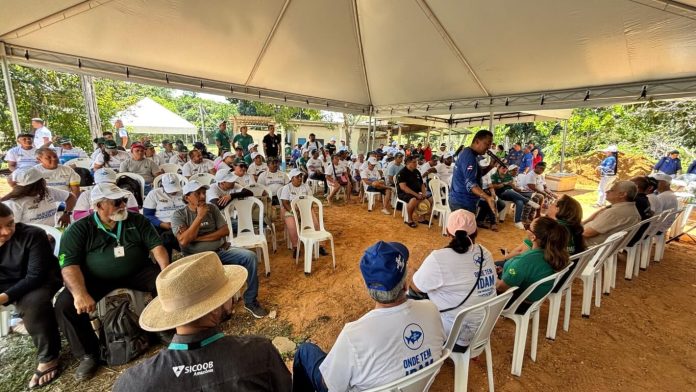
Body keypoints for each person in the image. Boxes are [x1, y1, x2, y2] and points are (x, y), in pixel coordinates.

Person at [112, 252, 290, 391]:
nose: (233, 297)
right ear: (214, 306)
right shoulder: (260, 353)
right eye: (227, 292)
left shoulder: (132, 383)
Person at [293, 241, 445, 391]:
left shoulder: (353, 335)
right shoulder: (431, 309)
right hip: (420, 386)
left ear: (369, 291)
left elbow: (331, 386)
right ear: (405, 284)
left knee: (305, 351)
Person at [55, 183, 170, 381]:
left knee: (165, 285)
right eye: (116, 202)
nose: (123, 205)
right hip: (95, 278)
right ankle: (88, 354)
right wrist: (80, 293)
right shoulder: (79, 229)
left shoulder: (136, 220)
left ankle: (164, 329)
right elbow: (69, 266)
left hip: (137, 271)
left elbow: (157, 247)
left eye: (124, 200)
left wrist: (166, 273)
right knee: (65, 305)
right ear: (99, 206)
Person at [171, 181, 268, 318]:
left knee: (249, 257)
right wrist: (199, 217)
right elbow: (184, 240)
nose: (202, 196)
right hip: (196, 258)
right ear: (187, 197)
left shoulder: (212, 208)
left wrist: (197, 238)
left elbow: (225, 231)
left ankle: (250, 300)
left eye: (203, 192)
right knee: (221, 311)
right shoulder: (179, 215)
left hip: (219, 251)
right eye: (197, 193)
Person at [411, 209, 496, 350]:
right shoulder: (485, 253)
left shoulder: (439, 258)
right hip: (481, 332)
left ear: (447, 232)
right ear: (476, 232)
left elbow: (415, 287)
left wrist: (413, 271)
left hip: (451, 337)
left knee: (413, 292)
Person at [0, 202, 63, 389]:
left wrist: (4, 297)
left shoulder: (32, 235)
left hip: (39, 279)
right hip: (5, 282)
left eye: (10, 224)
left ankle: (49, 356)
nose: (6, 231)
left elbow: (35, 276)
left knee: (35, 304)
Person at [496, 217, 570, 313]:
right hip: (532, 301)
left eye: (528, 227)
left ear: (533, 237)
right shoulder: (555, 254)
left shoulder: (526, 260)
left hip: (516, 303)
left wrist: (492, 275)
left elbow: (500, 288)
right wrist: (505, 271)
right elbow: (530, 272)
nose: (526, 230)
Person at [2, 167, 75, 227]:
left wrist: (67, 214)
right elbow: (13, 230)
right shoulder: (13, 203)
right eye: (42, 180)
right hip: (29, 241)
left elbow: (70, 197)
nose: (44, 182)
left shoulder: (47, 191)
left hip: (50, 234)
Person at [279, 169, 327, 255]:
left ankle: (320, 246)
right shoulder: (287, 187)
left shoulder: (305, 186)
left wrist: (306, 210)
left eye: (301, 176)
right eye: (298, 177)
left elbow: (311, 200)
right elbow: (284, 202)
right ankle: (295, 247)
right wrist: (293, 211)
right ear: (292, 178)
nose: (300, 178)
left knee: (316, 223)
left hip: (305, 208)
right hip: (290, 209)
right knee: (292, 226)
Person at [449, 129, 496, 214]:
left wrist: (490, 166)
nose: (489, 147)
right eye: (487, 144)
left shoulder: (471, 154)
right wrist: (487, 197)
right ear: (477, 141)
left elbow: (477, 174)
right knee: (463, 227)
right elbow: (470, 184)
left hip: (463, 201)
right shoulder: (469, 157)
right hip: (462, 203)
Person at [582, 181, 641, 246]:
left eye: (611, 190)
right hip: (608, 248)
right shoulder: (631, 209)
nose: (606, 192)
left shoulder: (615, 212)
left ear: (622, 194)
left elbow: (586, 233)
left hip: (586, 247)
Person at [143, 173, 186, 260]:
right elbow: (147, 215)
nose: (173, 192)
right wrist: (161, 224)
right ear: (162, 186)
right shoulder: (154, 194)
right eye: (170, 189)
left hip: (182, 224)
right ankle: (166, 261)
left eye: (175, 188)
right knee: (165, 238)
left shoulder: (184, 193)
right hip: (162, 225)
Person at [73, 168, 140, 221]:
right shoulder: (86, 194)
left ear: (115, 183)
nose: (106, 189)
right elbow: (77, 216)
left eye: (109, 185)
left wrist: (120, 211)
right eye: (102, 185)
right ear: (95, 184)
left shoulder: (126, 194)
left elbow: (135, 213)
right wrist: (95, 211)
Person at [490, 164, 540, 229]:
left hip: (511, 194)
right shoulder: (494, 176)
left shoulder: (508, 176)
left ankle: (517, 222)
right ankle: (528, 201)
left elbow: (514, 188)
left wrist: (513, 186)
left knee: (520, 201)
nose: (505, 169)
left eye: (506, 168)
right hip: (500, 194)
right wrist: (504, 184)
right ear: (498, 168)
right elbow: (493, 186)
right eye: (503, 168)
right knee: (509, 191)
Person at [396, 155, 433, 228]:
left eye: (416, 162)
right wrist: (416, 195)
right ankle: (409, 219)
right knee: (413, 200)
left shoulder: (416, 171)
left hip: (417, 192)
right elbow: (403, 188)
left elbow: (422, 184)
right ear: (408, 163)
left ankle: (421, 218)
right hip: (404, 193)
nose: (416, 164)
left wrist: (424, 193)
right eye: (414, 162)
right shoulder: (402, 173)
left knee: (430, 199)